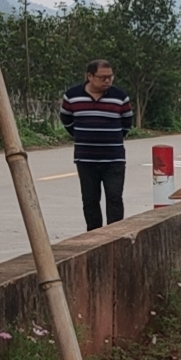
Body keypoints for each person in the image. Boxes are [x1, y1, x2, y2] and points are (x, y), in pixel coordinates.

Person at [60, 59, 134, 231]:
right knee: (90, 200)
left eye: (110, 77)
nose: (107, 81)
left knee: (114, 198)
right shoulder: (72, 96)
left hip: (113, 159)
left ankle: (115, 235)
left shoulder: (120, 97)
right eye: (102, 77)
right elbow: (67, 120)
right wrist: (82, 135)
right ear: (90, 76)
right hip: (86, 159)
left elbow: (126, 123)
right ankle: (93, 236)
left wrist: (110, 138)